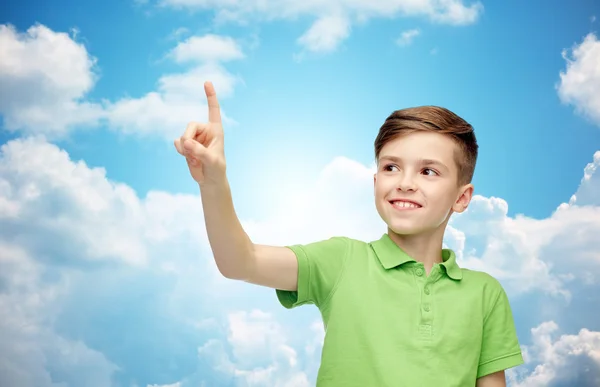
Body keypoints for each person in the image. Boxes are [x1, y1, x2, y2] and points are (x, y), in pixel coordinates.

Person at [174, 81, 524, 387]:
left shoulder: (485, 295)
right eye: (391, 167)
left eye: (428, 171)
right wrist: (214, 181)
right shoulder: (342, 261)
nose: (405, 183)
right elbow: (240, 261)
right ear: (376, 182)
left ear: (461, 198)